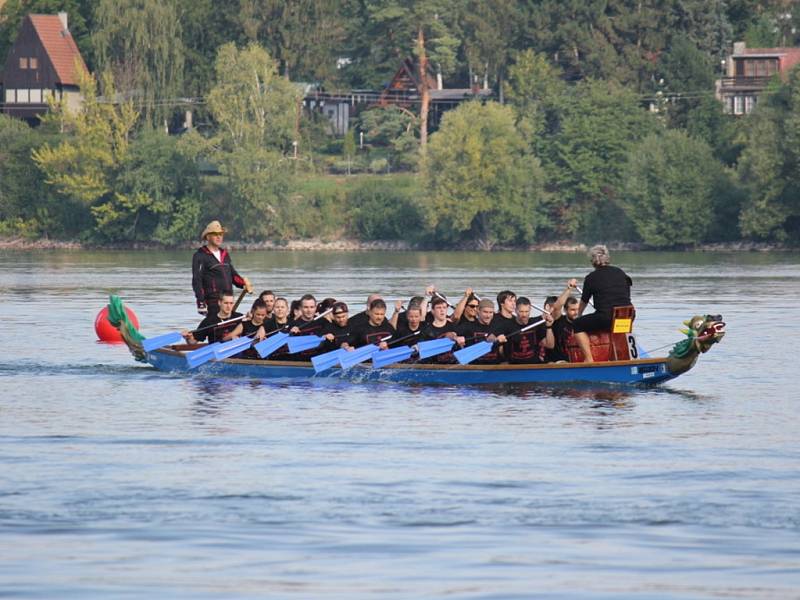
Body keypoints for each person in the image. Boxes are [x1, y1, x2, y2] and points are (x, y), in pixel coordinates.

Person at [572, 245, 633, 363]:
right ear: (608, 259)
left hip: (607, 317)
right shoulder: (620, 272)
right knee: (614, 325)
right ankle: (623, 357)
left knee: (578, 325)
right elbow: (626, 293)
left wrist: (578, 315)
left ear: (592, 261)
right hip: (627, 315)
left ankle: (589, 359)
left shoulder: (591, 277)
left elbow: (584, 300)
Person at [192, 220, 252, 316]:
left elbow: (233, 275)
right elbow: (197, 281)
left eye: (221, 234)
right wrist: (201, 301)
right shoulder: (200, 255)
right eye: (215, 234)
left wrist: (243, 283)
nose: (219, 237)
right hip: (212, 302)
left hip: (228, 301)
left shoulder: (225, 254)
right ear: (208, 237)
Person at [456, 298, 508, 364]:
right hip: (475, 366)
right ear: (478, 311)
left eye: (491, 312)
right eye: (485, 312)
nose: (488, 316)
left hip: (495, 366)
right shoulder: (468, 326)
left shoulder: (499, 326)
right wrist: (456, 338)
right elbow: (451, 334)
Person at [507, 297, 554, 364]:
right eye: (521, 311)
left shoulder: (536, 323)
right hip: (514, 365)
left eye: (526, 311)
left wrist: (549, 327)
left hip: (534, 364)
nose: (524, 315)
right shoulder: (508, 325)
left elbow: (550, 345)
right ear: (516, 310)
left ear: (530, 310)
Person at [419, 296, 463, 363]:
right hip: (432, 364)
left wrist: (460, 341)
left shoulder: (454, 327)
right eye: (439, 308)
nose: (442, 310)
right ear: (433, 311)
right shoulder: (426, 329)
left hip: (452, 364)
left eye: (444, 308)